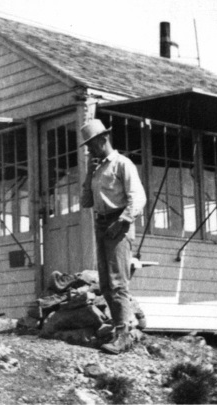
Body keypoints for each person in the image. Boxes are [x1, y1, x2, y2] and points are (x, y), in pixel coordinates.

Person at [80, 119, 147, 355]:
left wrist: (122, 222)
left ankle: (124, 334)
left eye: (91, 144)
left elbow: (138, 198)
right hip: (101, 223)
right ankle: (119, 328)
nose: (89, 150)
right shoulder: (98, 170)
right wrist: (89, 175)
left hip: (119, 223)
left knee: (118, 281)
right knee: (107, 283)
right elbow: (86, 202)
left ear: (103, 139)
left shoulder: (122, 164)